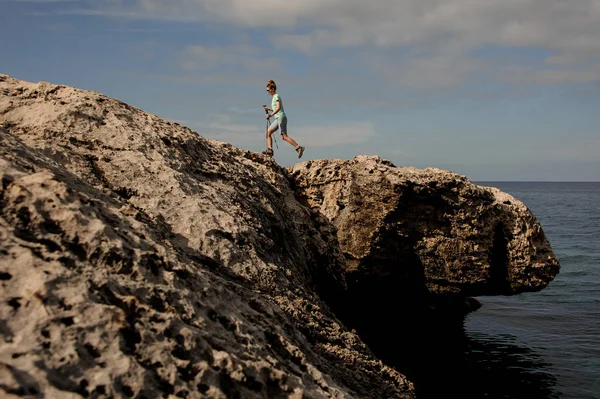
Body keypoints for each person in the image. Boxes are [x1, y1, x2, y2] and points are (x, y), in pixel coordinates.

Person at [262, 80, 304, 158]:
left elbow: (278, 108)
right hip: (278, 118)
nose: (267, 92)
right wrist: (268, 108)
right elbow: (276, 108)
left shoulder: (276, 96)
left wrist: (270, 115)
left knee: (284, 136)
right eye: (267, 90)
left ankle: (298, 148)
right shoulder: (274, 97)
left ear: (273, 89)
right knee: (268, 132)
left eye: (268, 90)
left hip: (281, 117)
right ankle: (270, 150)